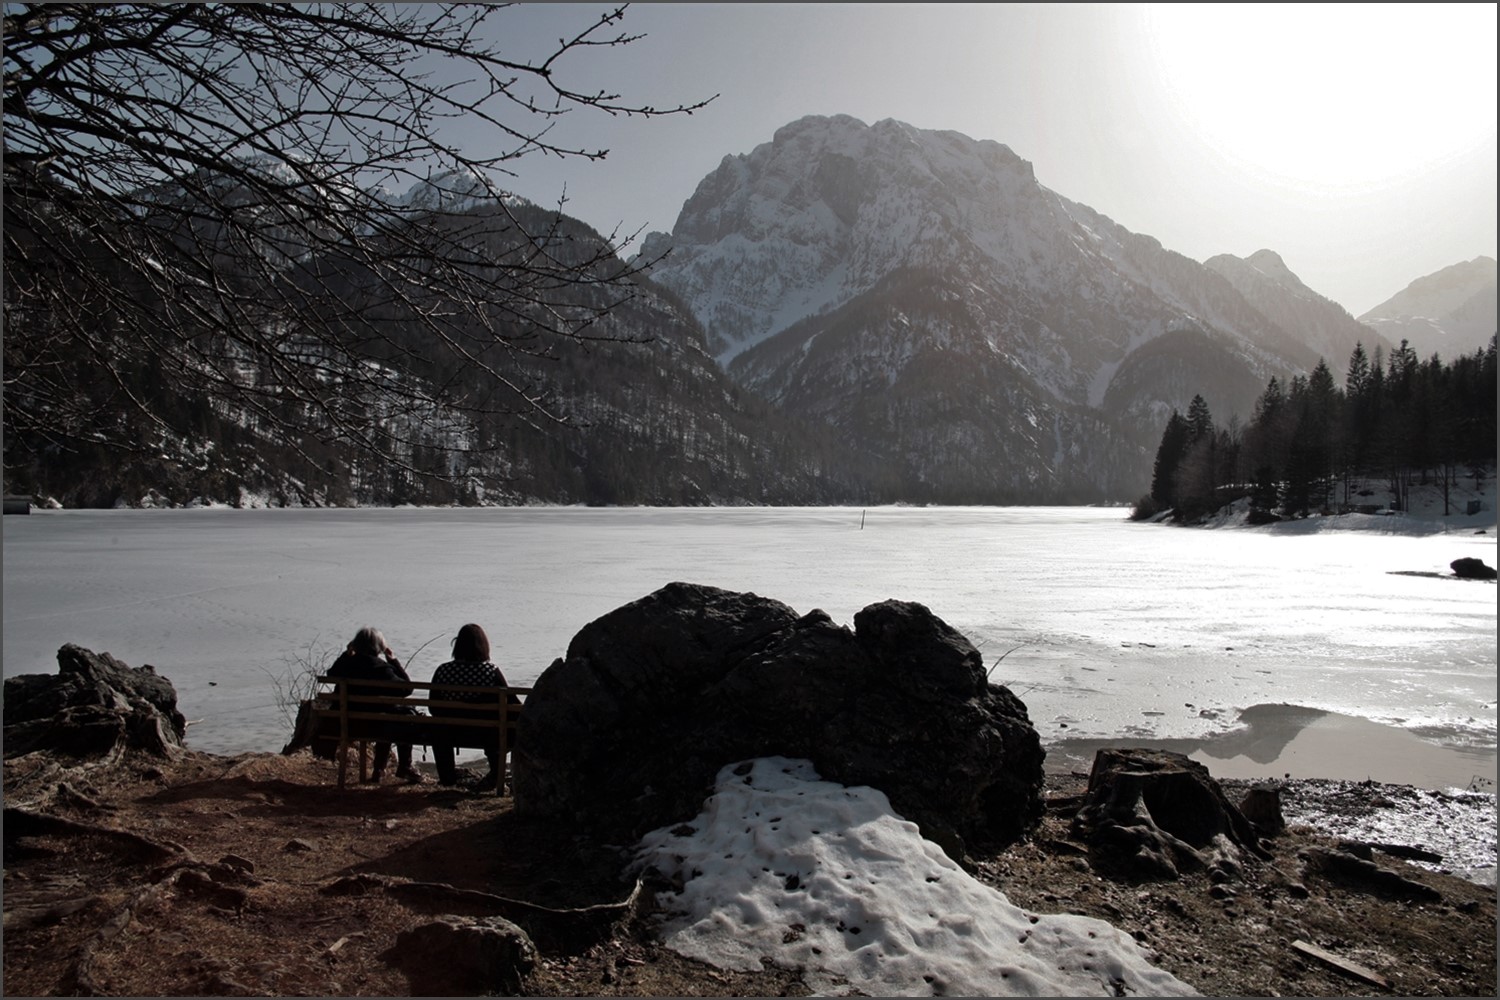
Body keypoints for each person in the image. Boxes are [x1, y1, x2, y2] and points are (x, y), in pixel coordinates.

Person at [326, 626, 425, 784]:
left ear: (355, 645)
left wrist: (347, 654)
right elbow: (407, 688)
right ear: (379, 647)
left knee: (387, 715)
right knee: (398, 716)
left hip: (347, 725)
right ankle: (402, 767)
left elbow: (330, 674)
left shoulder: (346, 666)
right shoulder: (382, 669)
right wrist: (393, 660)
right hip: (379, 727)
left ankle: (380, 770)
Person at [430, 623, 519, 789]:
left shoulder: (443, 671)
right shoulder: (490, 671)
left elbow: (433, 707)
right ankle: (496, 774)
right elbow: (513, 704)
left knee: (439, 727)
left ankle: (447, 778)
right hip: (487, 734)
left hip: (451, 733)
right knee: (501, 723)